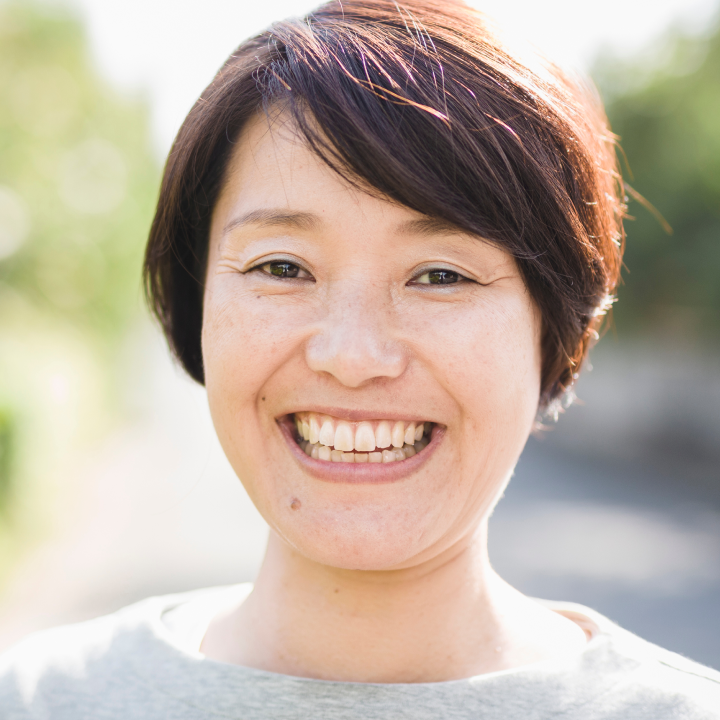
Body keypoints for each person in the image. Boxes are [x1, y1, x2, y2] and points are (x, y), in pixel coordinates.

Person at [1, 0, 719, 717]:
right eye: (282, 267)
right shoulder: (44, 701)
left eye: (441, 274)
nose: (352, 357)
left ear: (553, 326)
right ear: (198, 303)